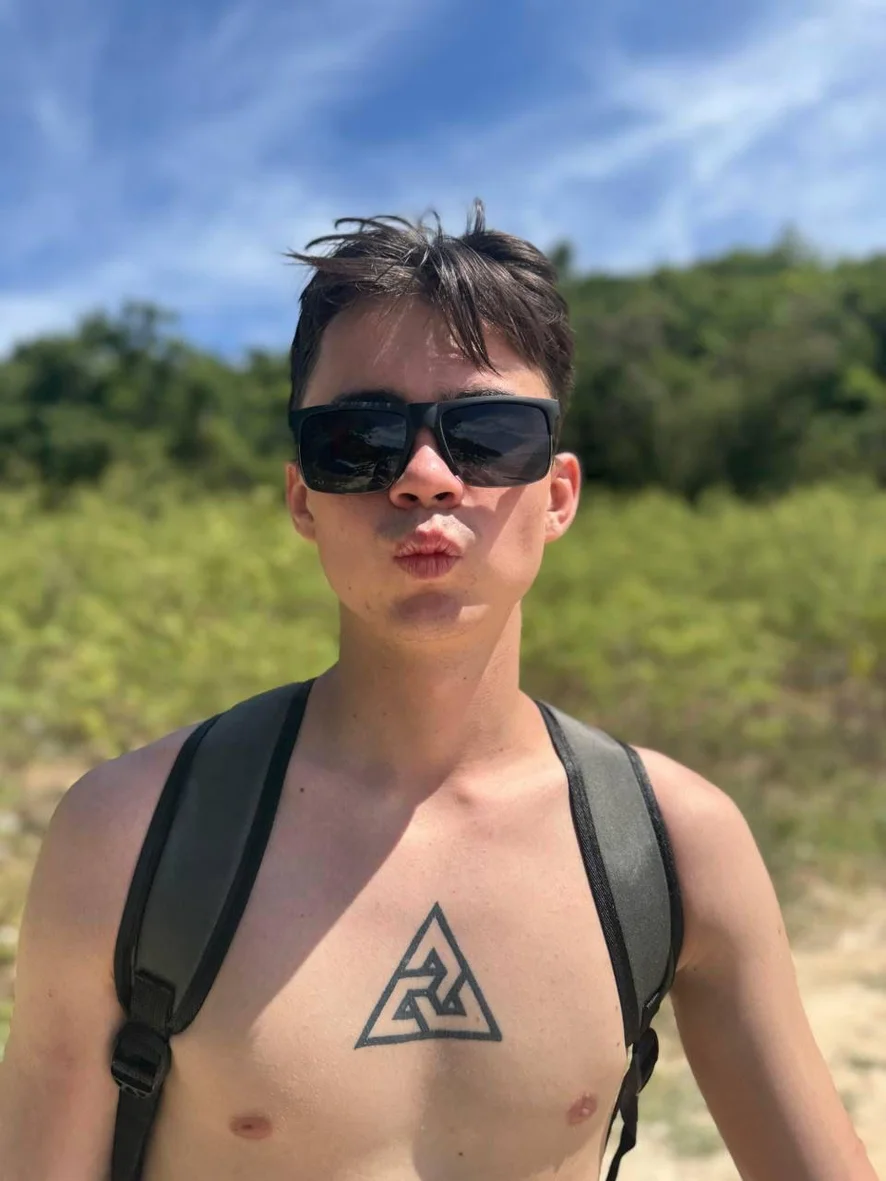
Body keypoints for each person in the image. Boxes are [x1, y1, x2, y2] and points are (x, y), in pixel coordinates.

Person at [0, 201, 877, 1181]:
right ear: (302, 497)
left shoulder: (672, 844)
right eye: (358, 440)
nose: (424, 477)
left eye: (488, 433)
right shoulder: (130, 837)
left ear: (558, 496)